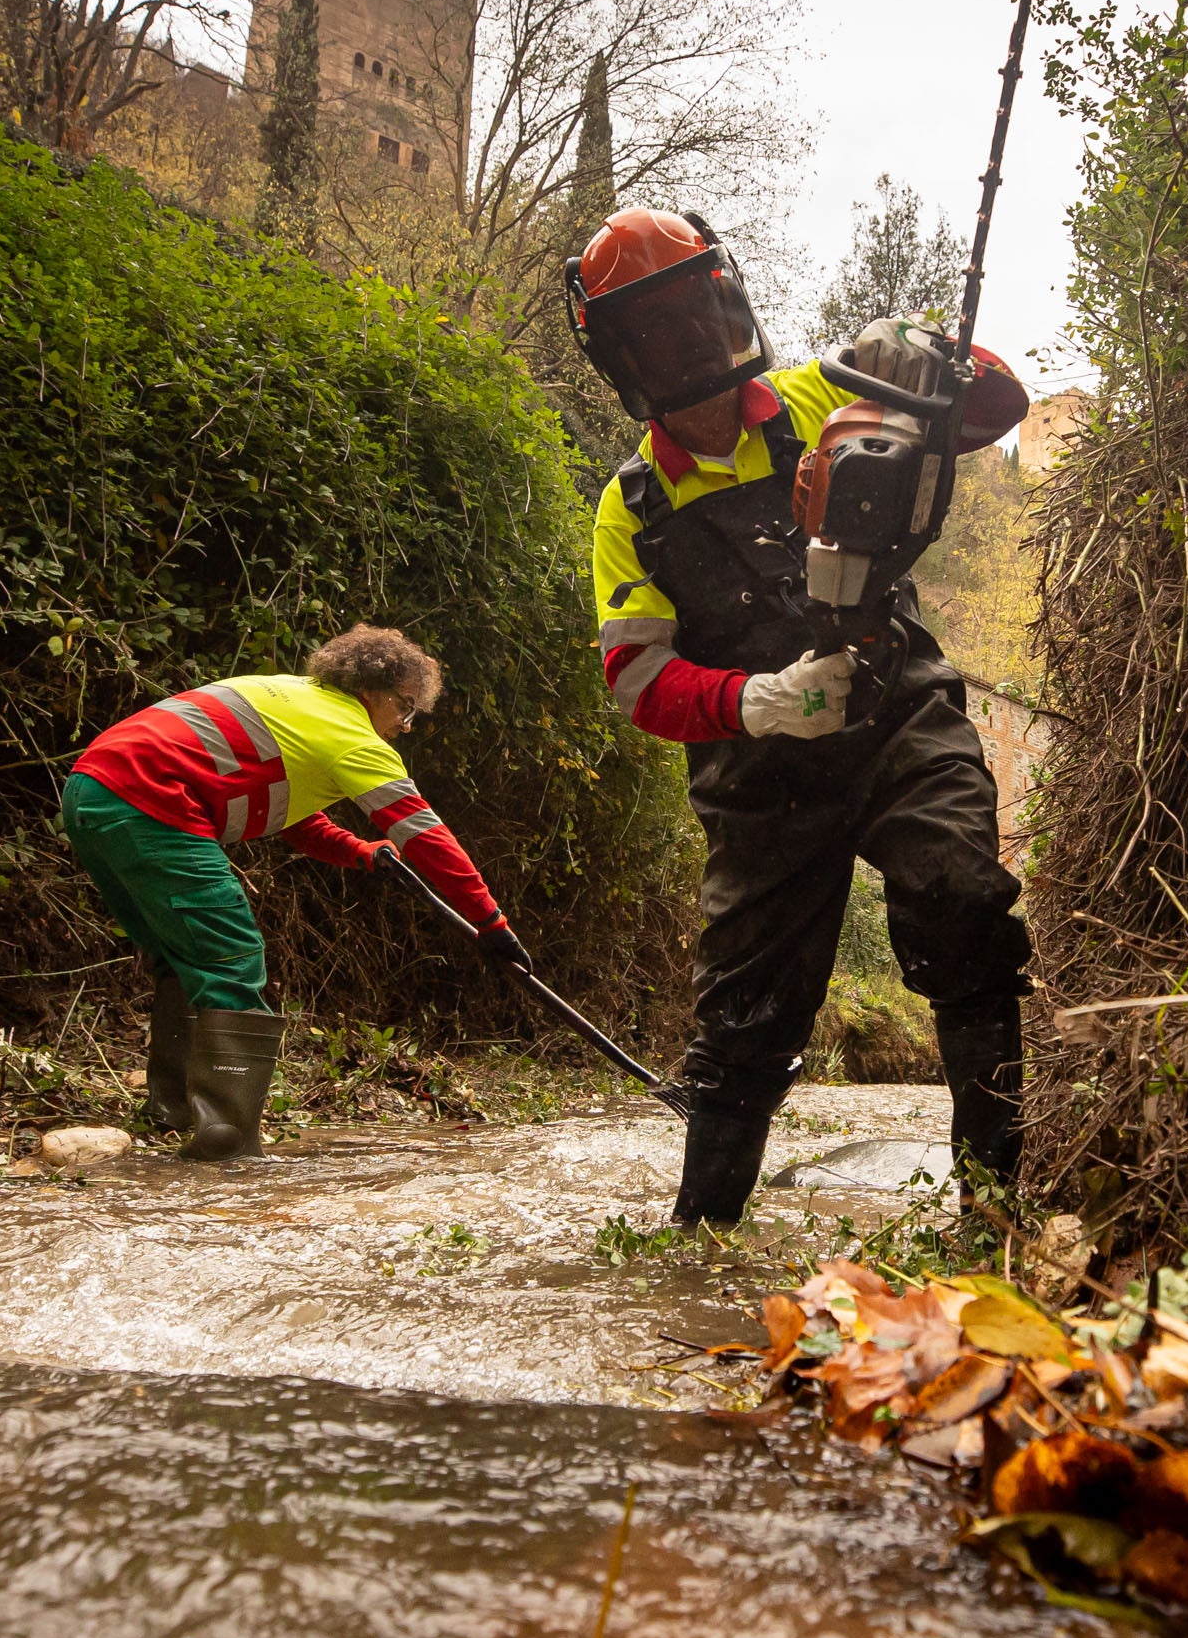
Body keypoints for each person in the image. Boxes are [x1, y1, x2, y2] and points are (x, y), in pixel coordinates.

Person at [569, 205, 1029, 1225]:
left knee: (962, 905)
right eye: (656, 325)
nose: (684, 338)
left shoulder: (827, 392)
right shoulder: (629, 507)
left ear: (723, 300)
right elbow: (637, 682)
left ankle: (997, 1214)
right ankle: (697, 1238)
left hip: (899, 712)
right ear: (625, 353)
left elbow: (994, 404)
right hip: (759, 778)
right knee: (742, 1021)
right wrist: (758, 702)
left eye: (694, 310)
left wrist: (928, 355)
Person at [60, 625, 527, 1160]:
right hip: (151, 800)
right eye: (405, 706)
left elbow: (293, 816)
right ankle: (227, 1140)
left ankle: (174, 1112)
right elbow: (427, 838)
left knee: (179, 956)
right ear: (371, 691)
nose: (405, 723)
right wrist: (491, 922)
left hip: (90, 792)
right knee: (231, 959)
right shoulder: (350, 734)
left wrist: (359, 851)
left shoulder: (291, 697)